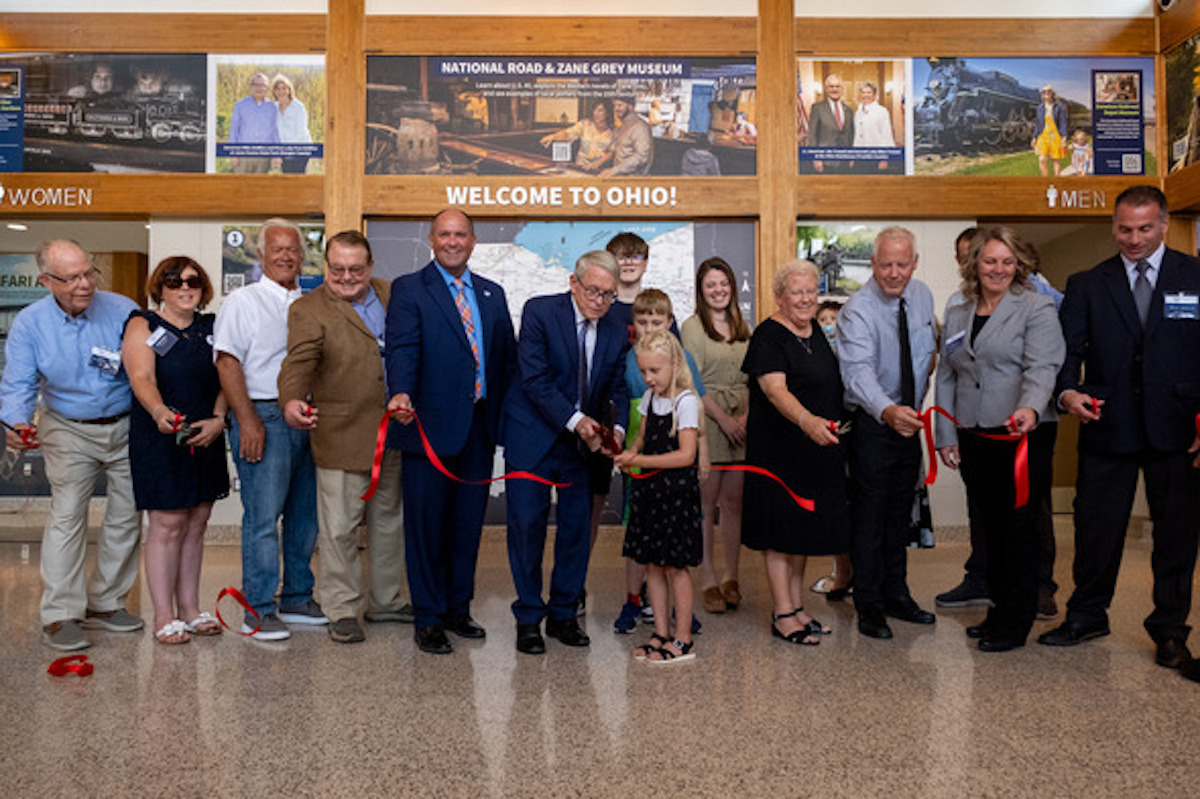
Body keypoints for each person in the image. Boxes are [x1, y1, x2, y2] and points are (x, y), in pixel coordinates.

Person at [1041, 185, 1200, 673]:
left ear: (1164, 224)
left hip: (1179, 430)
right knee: (1096, 529)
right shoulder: (1088, 284)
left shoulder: (1194, 276)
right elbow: (1066, 355)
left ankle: (1170, 630)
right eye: (1125, 229)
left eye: (1144, 229)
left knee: (1176, 536)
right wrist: (1067, 394)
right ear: (1114, 227)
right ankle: (1087, 614)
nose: (1133, 239)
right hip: (1108, 427)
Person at [0, 240, 142, 651]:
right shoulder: (30, 324)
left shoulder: (121, 309)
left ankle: (106, 603)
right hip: (67, 425)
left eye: (88, 273)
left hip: (127, 422)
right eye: (72, 277)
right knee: (67, 514)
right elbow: (19, 384)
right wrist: (17, 422)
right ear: (46, 281)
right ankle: (61, 614)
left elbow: (144, 367)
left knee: (127, 513)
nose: (85, 284)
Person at [386, 209, 516, 655]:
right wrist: (400, 391)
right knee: (426, 527)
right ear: (431, 239)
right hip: (426, 427)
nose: (453, 241)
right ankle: (428, 617)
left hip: (479, 428)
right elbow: (401, 347)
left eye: (461, 234)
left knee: (466, 526)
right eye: (445, 234)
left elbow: (506, 361)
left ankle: (458, 608)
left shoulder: (492, 293)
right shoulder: (409, 289)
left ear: (473, 241)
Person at [933, 227, 1065, 652]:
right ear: (975, 265)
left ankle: (1015, 620)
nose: (999, 269)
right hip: (974, 433)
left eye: (1007, 261)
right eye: (990, 261)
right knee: (988, 527)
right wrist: (945, 433)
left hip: (1020, 433)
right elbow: (949, 374)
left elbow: (1042, 366)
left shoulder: (1036, 308)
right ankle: (998, 609)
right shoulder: (959, 311)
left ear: (1019, 265)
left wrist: (1029, 407)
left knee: (1018, 529)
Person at [277, 231, 408, 645]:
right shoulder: (308, 309)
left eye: (356, 269)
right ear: (326, 267)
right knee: (338, 529)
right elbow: (298, 361)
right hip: (341, 433)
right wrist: (292, 398)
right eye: (337, 269)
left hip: (397, 433)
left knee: (390, 523)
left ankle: (386, 601)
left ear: (370, 267)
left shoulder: (394, 294)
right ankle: (342, 608)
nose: (347, 277)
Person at [503, 250, 630, 655]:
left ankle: (563, 615)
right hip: (533, 437)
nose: (600, 301)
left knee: (576, 531)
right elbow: (535, 380)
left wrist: (617, 429)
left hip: (584, 445)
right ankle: (527, 618)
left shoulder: (615, 325)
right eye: (593, 290)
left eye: (608, 294)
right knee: (527, 529)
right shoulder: (540, 312)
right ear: (573, 283)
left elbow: (616, 386)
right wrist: (577, 421)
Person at [214, 218, 324, 641]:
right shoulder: (243, 301)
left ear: (302, 256)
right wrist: (247, 420)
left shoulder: (311, 302)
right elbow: (227, 362)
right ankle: (258, 608)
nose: (285, 256)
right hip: (262, 416)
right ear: (261, 256)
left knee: (303, 516)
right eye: (276, 249)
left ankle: (297, 596)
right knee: (262, 519)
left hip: (307, 418)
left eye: (292, 250)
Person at [122, 257, 229, 645]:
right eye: (174, 281)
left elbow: (229, 376)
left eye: (193, 281)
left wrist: (220, 418)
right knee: (167, 525)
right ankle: (164, 615)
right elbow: (141, 376)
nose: (185, 287)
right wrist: (159, 411)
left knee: (196, 524)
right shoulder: (143, 324)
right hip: (161, 434)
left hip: (206, 435)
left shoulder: (212, 327)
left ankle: (189, 608)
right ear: (160, 288)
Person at [838, 227, 938, 640]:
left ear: (914, 263)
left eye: (902, 264)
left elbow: (927, 352)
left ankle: (897, 593)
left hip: (908, 422)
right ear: (873, 264)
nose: (894, 273)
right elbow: (857, 373)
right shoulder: (857, 310)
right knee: (870, 518)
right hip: (873, 424)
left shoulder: (923, 296)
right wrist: (888, 410)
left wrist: (911, 410)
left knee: (901, 515)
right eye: (885, 265)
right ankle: (869, 604)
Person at [742, 260, 849, 646]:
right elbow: (774, 390)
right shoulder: (768, 336)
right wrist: (807, 421)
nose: (805, 299)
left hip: (813, 451)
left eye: (811, 291)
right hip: (778, 452)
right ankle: (782, 613)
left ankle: (796, 606)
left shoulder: (816, 330)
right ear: (779, 296)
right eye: (797, 292)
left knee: (801, 532)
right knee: (780, 533)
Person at [613, 289, 708, 634]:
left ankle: (680, 629)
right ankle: (654, 624)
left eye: (654, 370)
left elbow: (687, 452)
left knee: (674, 564)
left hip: (674, 491)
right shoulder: (649, 396)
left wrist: (640, 458)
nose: (648, 377)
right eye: (644, 371)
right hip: (648, 488)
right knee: (649, 558)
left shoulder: (683, 400)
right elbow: (638, 437)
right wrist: (628, 455)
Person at [681, 257, 751, 614]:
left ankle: (731, 576)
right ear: (701, 290)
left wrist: (744, 417)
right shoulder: (692, 327)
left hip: (742, 424)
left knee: (734, 505)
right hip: (709, 421)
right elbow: (691, 382)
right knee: (706, 506)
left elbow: (755, 376)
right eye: (711, 285)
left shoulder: (744, 326)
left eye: (723, 283)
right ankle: (708, 579)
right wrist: (723, 419)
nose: (718, 290)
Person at [809, 299, 854, 599]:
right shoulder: (812, 356)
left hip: (855, 438)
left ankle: (856, 573)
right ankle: (842, 571)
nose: (828, 324)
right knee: (835, 509)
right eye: (822, 319)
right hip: (825, 437)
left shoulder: (854, 354)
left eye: (834, 318)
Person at [539, 99, 614, 173]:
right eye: (595, 110)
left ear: (607, 113)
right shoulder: (585, 125)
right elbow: (568, 133)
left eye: (600, 111)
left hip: (600, 170)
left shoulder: (613, 131)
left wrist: (598, 163)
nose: (596, 113)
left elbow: (611, 152)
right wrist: (553, 136)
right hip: (580, 167)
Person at [229, 72, 277, 174]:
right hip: (243, 157)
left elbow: (275, 132)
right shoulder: (240, 105)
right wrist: (233, 153)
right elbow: (234, 130)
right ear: (251, 87)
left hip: (264, 157)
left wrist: (276, 154)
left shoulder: (272, 107)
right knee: (240, 187)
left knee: (259, 188)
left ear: (267, 88)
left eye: (262, 85)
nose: (258, 88)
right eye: (255, 85)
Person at [807, 73, 854, 174]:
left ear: (842, 89)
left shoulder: (848, 110)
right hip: (826, 162)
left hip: (845, 161)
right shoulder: (818, 108)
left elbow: (851, 135)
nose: (834, 89)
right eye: (831, 86)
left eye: (837, 86)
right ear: (826, 89)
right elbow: (812, 136)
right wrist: (816, 159)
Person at [600, 94, 653, 177]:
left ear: (630, 106)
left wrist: (615, 170)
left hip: (633, 179)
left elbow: (641, 157)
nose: (616, 109)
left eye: (620, 105)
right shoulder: (622, 126)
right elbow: (614, 149)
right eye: (614, 106)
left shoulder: (640, 126)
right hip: (618, 175)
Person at [271, 73, 313, 175]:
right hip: (284, 152)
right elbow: (274, 133)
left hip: (300, 150)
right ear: (274, 91)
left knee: (298, 180)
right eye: (278, 89)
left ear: (289, 90)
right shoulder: (273, 108)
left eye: (284, 88)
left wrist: (285, 153)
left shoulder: (298, 107)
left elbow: (300, 132)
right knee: (287, 182)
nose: (281, 91)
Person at [852, 81, 894, 173]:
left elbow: (886, 135)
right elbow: (856, 136)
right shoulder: (857, 113)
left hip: (876, 157)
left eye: (868, 92)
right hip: (860, 157)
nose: (865, 95)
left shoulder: (882, 111)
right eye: (863, 92)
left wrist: (884, 159)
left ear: (874, 95)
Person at [1032, 84, 1068, 177]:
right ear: (1042, 95)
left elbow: (1063, 122)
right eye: (1044, 92)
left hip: (1055, 135)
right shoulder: (1040, 108)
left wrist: (1064, 138)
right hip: (1043, 135)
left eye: (1048, 91)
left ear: (1052, 93)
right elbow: (1038, 123)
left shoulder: (1059, 107)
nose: (1046, 93)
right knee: (1042, 159)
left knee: (1055, 159)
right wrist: (1034, 137)